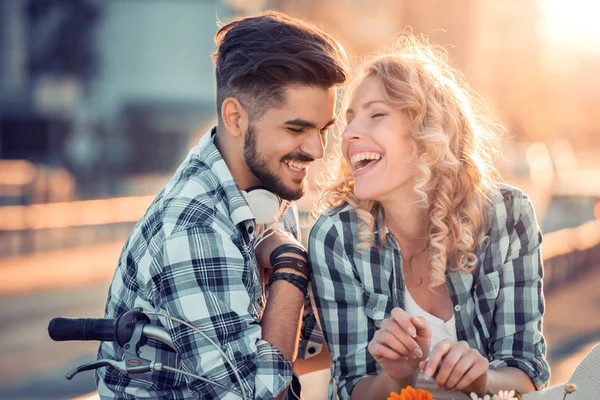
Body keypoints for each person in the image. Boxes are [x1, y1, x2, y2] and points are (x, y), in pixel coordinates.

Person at [96, 11, 347, 400]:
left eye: (323, 130)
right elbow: (264, 395)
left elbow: (309, 348)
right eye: (297, 129)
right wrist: (291, 265)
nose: (317, 150)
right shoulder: (195, 226)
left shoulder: (267, 190)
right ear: (235, 118)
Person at [308, 34, 550, 400]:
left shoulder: (508, 215)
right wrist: (396, 377)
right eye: (350, 120)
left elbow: (527, 376)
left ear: (427, 132)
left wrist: (480, 380)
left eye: (376, 115)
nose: (350, 134)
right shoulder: (336, 237)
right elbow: (350, 389)